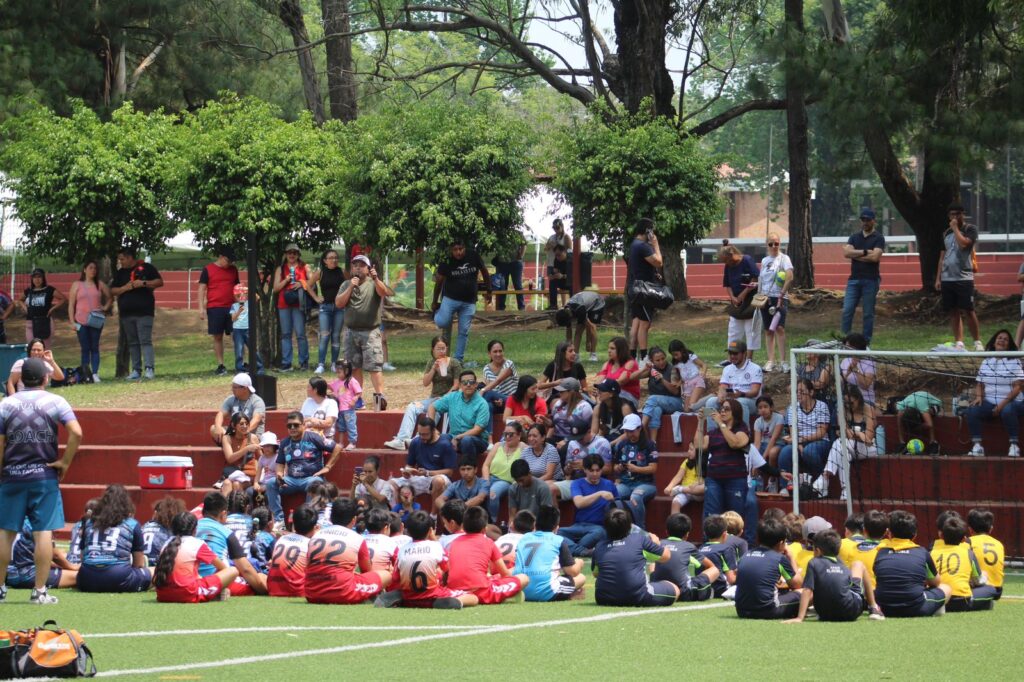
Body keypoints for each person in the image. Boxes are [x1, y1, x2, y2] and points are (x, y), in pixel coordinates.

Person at [0, 357, 81, 604]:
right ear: (46, 378)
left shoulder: (6, 404)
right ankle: (39, 591)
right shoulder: (56, 401)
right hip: (44, 475)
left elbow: (1, 443)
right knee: (42, 532)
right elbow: (76, 432)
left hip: (12, 474)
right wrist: (64, 462)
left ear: (21, 379)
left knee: (5, 533)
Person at [381, 509, 478, 609]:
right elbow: (448, 569)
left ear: (408, 531)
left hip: (409, 598)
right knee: (473, 597)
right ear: (430, 530)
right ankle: (456, 601)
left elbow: (396, 579)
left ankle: (400, 598)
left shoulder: (402, 551)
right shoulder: (436, 547)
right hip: (432, 596)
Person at [784, 529, 885, 623]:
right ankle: (873, 607)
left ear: (817, 551)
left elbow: (807, 590)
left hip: (825, 614)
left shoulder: (813, 563)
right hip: (851, 612)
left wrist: (799, 617)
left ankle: (811, 610)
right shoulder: (843, 566)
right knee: (858, 564)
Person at [305, 498, 392, 604]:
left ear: (331, 518)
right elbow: (367, 571)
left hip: (312, 593)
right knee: (386, 574)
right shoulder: (357, 538)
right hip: (342, 593)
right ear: (354, 520)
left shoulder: (316, 535)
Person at [336, 254, 394, 411]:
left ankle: (379, 398)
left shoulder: (373, 283)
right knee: (353, 367)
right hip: (351, 332)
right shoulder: (346, 284)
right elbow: (339, 303)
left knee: (374, 366)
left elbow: (385, 293)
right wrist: (350, 287)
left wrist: (376, 279)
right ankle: (357, 399)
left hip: (370, 332)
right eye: (355, 265)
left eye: (361, 265)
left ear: (368, 269)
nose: (357, 267)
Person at [264, 411, 343, 524]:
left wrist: (328, 467)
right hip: (291, 480)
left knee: (315, 483)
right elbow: (280, 463)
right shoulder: (284, 443)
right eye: (289, 425)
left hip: (311, 478)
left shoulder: (314, 437)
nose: (292, 428)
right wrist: (280, 474)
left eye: (296, 425)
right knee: (271, 483)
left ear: (303, 425)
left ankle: (307, 519)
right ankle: (279, 520)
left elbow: (337, 447)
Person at [385, 337, 462, 451]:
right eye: (438, 349)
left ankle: (417, 439)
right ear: (433, 350)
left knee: (434, 409)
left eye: (443, 348)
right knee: (412, 406)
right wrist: (433, 369)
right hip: (433, 398)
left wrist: (446, 396)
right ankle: (401, 440)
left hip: (448, 399)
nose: (441, 351)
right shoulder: (431, 363)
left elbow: (457, 385)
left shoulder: (454, 363)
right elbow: (425, 383)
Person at [592, 508, 678, 606]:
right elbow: (666, 556)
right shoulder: (639, 540)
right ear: (630, 526)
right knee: (674, 588)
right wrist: (657, 544)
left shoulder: (599, 546)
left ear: (606, 527)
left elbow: (596, 574)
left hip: (603, 598)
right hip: (637, 596)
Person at [874, 510, 952, 617]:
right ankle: (935, 610)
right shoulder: (922, 552)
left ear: (889, 534)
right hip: (916, 609)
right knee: (946, 588)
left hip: (885, 609)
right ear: (915, 535)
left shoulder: (880, 552)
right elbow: (935, 582)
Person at [76, 484, 153, 592]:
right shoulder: (132, 524)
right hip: (119, 577)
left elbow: (83, 557)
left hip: (86, 579)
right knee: (153, 571)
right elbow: (138, 564)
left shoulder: (89, 523)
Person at [446, 507, 527, 604]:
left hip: (455, 590)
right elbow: (505, 575)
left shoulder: (454, 542)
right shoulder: (489, 542)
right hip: (481, 590)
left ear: (463, 526)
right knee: (524, 578)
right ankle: (504, 596)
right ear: (485, 529)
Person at [153, 512, 237, 603]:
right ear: (195, 529)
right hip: (188, 593)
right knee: (233, 570)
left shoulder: (167, 543)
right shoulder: (197, 544)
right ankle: (216, 593)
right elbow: (223, 568)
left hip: (163, 595)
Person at [196, 491, 267, 596]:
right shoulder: (226, 532)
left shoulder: (193, 526)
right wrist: (263, 589)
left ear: (203, 511)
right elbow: (245, 569)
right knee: (261, 577)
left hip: (192, 579)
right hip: (216, 580)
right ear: (224, 514)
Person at [966, 329, 1024, 457]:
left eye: (1006, 339)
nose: (1002, 340)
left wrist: (1001, 405)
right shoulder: (986, 361)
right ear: (994, 342)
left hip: (1013, 402)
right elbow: (979, 383)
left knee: (1008, 410)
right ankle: (977, 446)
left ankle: (1014, 446)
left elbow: (1018, 387)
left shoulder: (1014, 361)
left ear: (1009, 345)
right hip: (990, 402)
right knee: (972, 410)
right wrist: (979, 397)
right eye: (999, 338)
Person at [432, 240, 491, 362]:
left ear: (464, 248)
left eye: (461, 249)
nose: (458, 252)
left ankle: (458, 360)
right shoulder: (446, 260)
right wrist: (435, 301)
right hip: (450, 298)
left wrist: (489, 290)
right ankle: (437, 315)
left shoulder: (473, 255)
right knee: (443, 323)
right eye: (455, 250)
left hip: (469, 302)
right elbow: (439, 282)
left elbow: (484, 271)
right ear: (451, 250)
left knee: (463, 331)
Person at [733, 517, 803, 619]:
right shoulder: (779, 559)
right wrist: (791, 558)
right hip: (768, 610)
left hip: (741, 611)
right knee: (805, 592)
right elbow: (797, 585)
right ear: (781, 543)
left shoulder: (745, 555)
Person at [110, 248, 163, 380]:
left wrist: (144, 283)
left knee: (145, 340)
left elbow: (159, 282)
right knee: (132, 342)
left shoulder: (146, 268)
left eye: (122, 259)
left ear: (129, 258)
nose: (120, 262)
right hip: (126, 313)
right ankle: (136, 370)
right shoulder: (120, 273)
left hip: (144, 312)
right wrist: (125, 288)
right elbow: (113, 290)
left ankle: (149, 369)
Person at [935, 203, 982, 350]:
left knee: (969, 309)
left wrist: (955, 228)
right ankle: (959, 342)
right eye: (952, 215)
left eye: (957, 214)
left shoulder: (970, 229)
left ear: (963, 214)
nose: (954, 217)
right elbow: (942, 257)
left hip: (964, 278)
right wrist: (938, 278)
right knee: (953, 310)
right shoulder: (945, 233)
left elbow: (964, 245)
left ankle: (977, 341)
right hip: (948, 277)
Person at [816, 385, 876, 500]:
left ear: (858, 399)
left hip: (868, 449)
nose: (849, 406)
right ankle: (845, 491)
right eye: (846, 402)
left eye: (851, 403)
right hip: (849, 447)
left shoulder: (868, 409)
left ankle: (825, 476)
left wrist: (854, 434)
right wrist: (859, 434)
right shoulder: (842, 410)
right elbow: (845, 433)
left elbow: (868, 438)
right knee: (844, 453)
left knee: (839, 443)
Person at [514, 505, 584, 601]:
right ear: (556, 528)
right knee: (581, 577)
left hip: (520, 587)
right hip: (545, 591)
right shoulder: (558, 540)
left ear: (535, 525)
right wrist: (579, 562)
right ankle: (570, 595)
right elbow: (573, 572)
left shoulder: (524, 538)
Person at [931, 516, 997, 612]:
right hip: (961, 601)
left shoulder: (932, 552)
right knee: (990, 589)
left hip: (940, 598)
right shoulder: (968, 552)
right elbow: (977, 580)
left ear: (941, 536)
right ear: (964, 539)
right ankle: (984, 603)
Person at [389, 416, 457, 506]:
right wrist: (407, 471)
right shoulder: (415, 442)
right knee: (391, 484)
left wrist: (428, 473)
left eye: (425, 434)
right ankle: (397, 514)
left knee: (438, 481)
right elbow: (409, 465)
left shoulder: (445, 445)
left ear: (433, 431)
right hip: (420, 477)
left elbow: (449, 472)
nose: (422, 437)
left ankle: (433, 517)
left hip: (439, 477)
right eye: (420, 434)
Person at [699, 397, 750, 518]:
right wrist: (699, 422)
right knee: (712, 517)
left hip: (735, 479)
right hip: (714, 479)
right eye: (721, 409)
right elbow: (698, 445)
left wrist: (721, 423)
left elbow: (735, 443)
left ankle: (734, 538)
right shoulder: (713, 432)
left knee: (734, 517)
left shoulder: (742, 429)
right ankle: (710, 538)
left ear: (735, 412)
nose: (722, 411)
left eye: (727, 409)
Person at [649, 513, 718, 602]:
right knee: (714, 569)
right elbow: (710, 566)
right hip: (683, 593)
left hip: (660, 590)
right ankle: (706, 589)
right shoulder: (688, 546)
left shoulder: (660, 543)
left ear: (666, 531)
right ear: (687, 534)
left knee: (653, 561)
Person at [557, 455, 617, 557]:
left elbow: (616, 508)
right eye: (591, 470)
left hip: (598, 528)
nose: (594, 474)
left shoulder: (609, 484)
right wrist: (599, 493)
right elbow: (579, 503)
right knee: (556, 532)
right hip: (578, 526)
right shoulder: (577, 483)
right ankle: (581, 550)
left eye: (598, 470)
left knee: (600, 533)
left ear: (601, 470)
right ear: (584, 470)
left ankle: (573, 548)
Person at [841, 208, 885, 344]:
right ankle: (844, 341)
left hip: (871, 280)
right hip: (854, 280)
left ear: (873, 221)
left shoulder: (878, 237)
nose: (865, 222)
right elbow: (846, 254)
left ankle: (865, 343)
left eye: (868, 220)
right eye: (863, 219)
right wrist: (866, 252)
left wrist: (856, 254)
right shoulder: (854, 237)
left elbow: (875, 257)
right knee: (847, 310)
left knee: (868, 313)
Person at [427, 370, 492, 459]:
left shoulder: (482, 403)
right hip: (454, 437)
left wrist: (458, 437)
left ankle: (469, 468)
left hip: (476, 439)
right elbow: (432, 407)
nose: (468, 385)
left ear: (476, 384)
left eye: (471, 382)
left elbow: (477, 430)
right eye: (465, 383)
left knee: (466, 440)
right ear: (460, 385)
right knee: (440, 439)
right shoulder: (452, 397)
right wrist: (433, 428)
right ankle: (439, 470)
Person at [626, 218, 663, 365]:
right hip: (643, 291)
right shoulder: (643, 246)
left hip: (634, 288)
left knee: (636, 323)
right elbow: (659, 262)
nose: (653, 234)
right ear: (648, 231)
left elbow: (643, 266)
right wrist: (656, 245)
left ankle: (632, 357)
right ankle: (643, 357)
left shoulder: (634, 245)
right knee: (644, 324)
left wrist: (653, 274)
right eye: (652, 230)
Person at [197, 245, 240, 376]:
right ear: (221, 257)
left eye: (232, 261)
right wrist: (201, 308)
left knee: (237, 334)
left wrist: (240, 305)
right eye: (228, 260)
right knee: (217, 336)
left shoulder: (233, 270)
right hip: (215, 307)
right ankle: (221, 364)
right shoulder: (208, 269)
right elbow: (202, 289)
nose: (230, 264)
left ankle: (240, 363)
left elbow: (237, 287)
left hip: (232, 307)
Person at [778, 379, 832, 481]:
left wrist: (802, 441)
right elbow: (793, 433)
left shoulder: (822, 406)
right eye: (796, 391)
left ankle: (820, 482)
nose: (798, 394)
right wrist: (798, 445)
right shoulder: (792, 408)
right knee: (785, 452)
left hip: (820, 441)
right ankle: (787, 487)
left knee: (809, 451)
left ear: (811, 392)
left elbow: (821, 432)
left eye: (801, 391)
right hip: (798, 441)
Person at [67, 260, 112, 383]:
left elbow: (110, 297)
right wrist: (72, 322)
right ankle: (85, 373)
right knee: (85, 347)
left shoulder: (100, 284)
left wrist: (105, 307)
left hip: (96, 320)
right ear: (84, 269)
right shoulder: (77, 285)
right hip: (81, 321)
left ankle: (95, 373)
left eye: (95, 268)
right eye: (90, 268)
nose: (93, 270)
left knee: (95, 347)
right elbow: (71, 304)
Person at [612, 414, 658, 530]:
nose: (629, 434)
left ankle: (640, 529)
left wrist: (636, 469)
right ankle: (619, 528)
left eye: (632, 431)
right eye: (626, 431)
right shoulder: (621, 444)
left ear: (639, 428)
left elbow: (653, 468)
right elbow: (615, 466)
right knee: (611, 494)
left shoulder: (650, 445)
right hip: (625, 482)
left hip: (645, 484)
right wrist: (619, 468)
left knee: (635, 497)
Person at [7, 517, 78, 592]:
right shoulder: (36, 523)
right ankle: (39, 592)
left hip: (8, 574)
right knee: (78, 575)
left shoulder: (10, 521)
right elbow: (55, 555)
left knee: (64, 555)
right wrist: (72, 567)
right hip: (27, 575)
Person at [272, 243, 311, 372]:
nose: (292, 255)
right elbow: (275, 288)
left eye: (294, 253)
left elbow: (313, 282)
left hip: (299, 304)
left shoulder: (305, 267)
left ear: (298, 254)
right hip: (284, 304)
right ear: (286, 254)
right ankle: (286, 363)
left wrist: (302, 283)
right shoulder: (281, 269)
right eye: (289, 253)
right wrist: (286, 280)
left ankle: (303, 362)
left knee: (300, 334)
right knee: (286, 334)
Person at [308, 248, 347, 374]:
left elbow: (351, 284)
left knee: (336, 336)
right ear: (325, 261)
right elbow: (308, 285)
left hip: (339, 308)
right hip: (325, 308)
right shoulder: (320, 272)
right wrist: (316, 297)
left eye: (336, 258)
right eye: (331, 258)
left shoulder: (342, 271)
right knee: (324, 336)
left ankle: (334, 364)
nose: (334, 260)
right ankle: (321, 364)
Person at [706, 340, 762, 426]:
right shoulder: (727, 369)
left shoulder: (755, 368)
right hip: (732, 399)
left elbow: (755, 392)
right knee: (711, 402)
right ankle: (713, 435)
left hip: (751, 402)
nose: (732, 356)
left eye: (735, 353)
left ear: (744, 354)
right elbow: (723, 387)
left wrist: (741, 394)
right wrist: (721, 395)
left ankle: (744, 434)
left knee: (740, 402)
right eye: (730, 353)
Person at [759, 234, 794, 372]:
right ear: (766, 245)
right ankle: (771, 360)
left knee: (779, 328)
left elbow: (789, 276)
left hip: (779, 298)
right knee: (768, 330)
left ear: (780, 244)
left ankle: (783, 361)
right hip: (765, 298)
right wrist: (760, 294)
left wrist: (781, 294)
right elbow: (762, 279)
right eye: (771, 244)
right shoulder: (764, 260)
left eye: (776, 243)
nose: (774, 246)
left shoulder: (784, 259)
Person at [719, 244, 761, 358]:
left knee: (750, 331)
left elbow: (755, 277)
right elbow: (727, 284)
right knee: (733, 331)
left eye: (728, 260)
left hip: (750, 301)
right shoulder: (728, 266)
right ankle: (731, 356)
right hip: (736, 302)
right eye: (725, 261)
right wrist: (732, 297)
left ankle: (749, 358)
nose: (727, 263)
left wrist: (744, 293)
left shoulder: (747, 260)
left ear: (733, 254)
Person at [638, 347, 683, 445]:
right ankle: (653, 443)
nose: (661, 362)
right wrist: (644, 369)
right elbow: (633, 377)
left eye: (663, 358)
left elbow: (675, 391)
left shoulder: (673, 370)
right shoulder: (652, 370)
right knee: (656, 410)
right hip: (658, 404)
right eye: (657, 360)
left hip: (676, 402)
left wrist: (662, 379)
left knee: (653, 398)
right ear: (652, 361)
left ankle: (641, 426)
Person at [481, 421, 524, 522]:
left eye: (511, 434)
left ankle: (492, 522)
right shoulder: (498, 445)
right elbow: (485, 465)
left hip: (506, 481)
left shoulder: (523, 448)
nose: (507, 437)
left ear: (519, 435)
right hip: (490, 477)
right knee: (475, 490)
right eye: (505, 434)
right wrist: (486, 481)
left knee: (493, 493)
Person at [209, 373, 266, 445]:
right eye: (232, 387)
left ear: (245, 388)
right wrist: (218, 426)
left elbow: (256, 420)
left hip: (250, 434)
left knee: (251, 437)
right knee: (213, 428)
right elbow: (220, 414)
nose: (232, 389)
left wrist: (243, 431)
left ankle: (231, 446)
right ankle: (232, 445)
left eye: (235, 387)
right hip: (235, 434)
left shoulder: (257, 401)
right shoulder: (231, 399)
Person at [555, 289, 605, 363]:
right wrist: (570, 349)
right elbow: (569, 336)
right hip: (584, 303)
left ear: (569, 317)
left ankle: (593, 354)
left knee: (589, 326)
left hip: (597, 303)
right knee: (578, 331)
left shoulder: (580, 310)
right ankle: (576, 355)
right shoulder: (565, 312)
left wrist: (588, 342)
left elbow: (591, 327)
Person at [22, 268, 65, 348]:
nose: (37, 280)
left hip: (45, 322)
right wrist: (25, 308)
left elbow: (63, 299)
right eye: (35, 277)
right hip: (31, 322)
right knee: (32, 348)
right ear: (32, 279)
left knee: (44, 349)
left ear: (43, 278)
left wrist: (52, 309)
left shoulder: (49, 290)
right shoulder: (28, 291)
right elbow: (20, 300)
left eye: (39, 277)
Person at [697, 515, 739, 598]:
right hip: (721, 590)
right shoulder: (726, 549)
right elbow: (731, 579)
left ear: (705, 533)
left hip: (702, 588)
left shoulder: (700, 548)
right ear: (724, 534)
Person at [967, 508, 1005, 600]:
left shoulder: (968, 543)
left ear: (970, 530)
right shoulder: (999, 544)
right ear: (991, 529)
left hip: (977, 588)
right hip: (997, 590)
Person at [219, 413, 261, 495]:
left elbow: (261, 458)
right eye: (241, 424)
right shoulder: (227, 438)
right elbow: (230, 459)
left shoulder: (253, 438)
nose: (245, 426)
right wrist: (246, 449)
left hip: (249, 475)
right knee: (227, 483)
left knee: (236, 484)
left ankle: (238, 506)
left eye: (246, 423)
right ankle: (224, 507)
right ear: (233, 425)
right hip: (233, 473)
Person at [548, 378, 593, 452]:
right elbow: (552, 424)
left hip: (576, 439)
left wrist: (567, 440)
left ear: (571, 392)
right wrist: (545, 421)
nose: (560, 393)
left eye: (562, 391)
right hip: (556, 437)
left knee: (563, 449)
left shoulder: (584, 407)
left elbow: (586, 431)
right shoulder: (558, 404)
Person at [594, 337, 641, 408]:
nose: (609, 351)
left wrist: (604, 387)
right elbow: (598, 382)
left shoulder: (630, 363)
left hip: (628, 397)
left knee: (606, 397)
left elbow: (621, 381)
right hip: (610, 395)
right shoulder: (607, 364)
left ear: (621, 350)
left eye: (612, 348)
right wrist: (597, 388)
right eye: (609, 348)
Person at [142, 496, 186, 566]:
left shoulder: (144, 526)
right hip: (158, 569)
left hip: (140, 567)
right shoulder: (170, 534)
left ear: (156, 513)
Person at [228, 284, 262, 373]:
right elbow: (233, 318)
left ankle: (259, 366)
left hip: (248, 329)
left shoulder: (249, 303)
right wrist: (239, 311)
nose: (240, 298)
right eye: (238, 296)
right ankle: (240, 368)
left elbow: (257, 298)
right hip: (237, 330)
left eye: (242, 295)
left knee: (253, 348)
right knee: (239, 349)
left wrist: (248, 290)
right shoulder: (234, 306)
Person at [479, 339, 519, 413]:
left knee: (487, 393)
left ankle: (473, 408)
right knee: (488, 406)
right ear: (489, 353)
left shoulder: (509, 364)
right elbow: (491, 387)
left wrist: (482, 390)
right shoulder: (486, 369)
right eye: (495, 351)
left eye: (500, 351)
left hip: (513, 400)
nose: (498, 354)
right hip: (499, 401)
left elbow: (498, 380)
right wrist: (496, 401)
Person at [753, 396, 784, 489]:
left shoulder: (779, 418)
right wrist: (755, 459)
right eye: (760, 407)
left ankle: (772, 479)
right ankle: (758, 483)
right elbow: (757, 443)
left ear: (771, 407)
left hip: (778, 444)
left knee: (772, 453)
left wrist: (761, 459)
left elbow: (773, 439)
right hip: (763, 444)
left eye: (765, 407)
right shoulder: (758, 422)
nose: (763, 410)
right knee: (753, 454)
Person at [592, 378, 633, 445]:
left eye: (602, 390)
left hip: (624, 442)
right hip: (608, 440)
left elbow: (629, 432)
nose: (598, 392)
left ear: (611, 394)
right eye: (599, 389)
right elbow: (593, 432)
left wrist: (609, 444)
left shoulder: (625, 408)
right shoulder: (598, 408)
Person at [491, 236, 527, 311]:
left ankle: (521, 307)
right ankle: (501, 308)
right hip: (502, 263)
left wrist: (521, 256)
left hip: (515, 262)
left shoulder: (517, 233)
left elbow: (524, 244)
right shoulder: (499, 233)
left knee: (518, 285)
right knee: (502, 286)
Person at [547, 243, 571, 309]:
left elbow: (574, 276)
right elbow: (555, 271)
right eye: (556, 255)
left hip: (570, 282)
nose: (557, 257)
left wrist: (563, 276)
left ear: (564, 252)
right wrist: (553, 275)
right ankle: (553, 305)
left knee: (573, 284)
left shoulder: (570, 260)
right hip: (562, 281)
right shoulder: (556, 260)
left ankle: (573, 305)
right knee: (552, 282)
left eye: (559, 255)